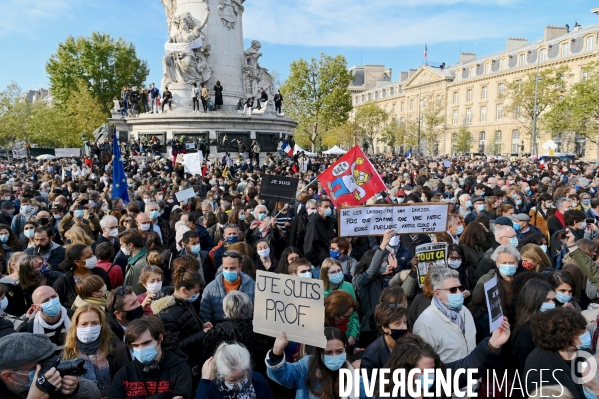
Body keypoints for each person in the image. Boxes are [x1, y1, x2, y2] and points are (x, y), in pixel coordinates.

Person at [152, 262, 211, 389]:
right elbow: (174, 345)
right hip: (186, 363)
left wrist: (201, 324)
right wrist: (202, 334)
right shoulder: (168, 315)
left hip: (196, 357)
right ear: (184, 290)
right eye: (196, 291)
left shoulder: (184, 302)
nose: (197, 294)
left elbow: (188, 321)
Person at [109, 316, 193, 398]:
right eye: (136, 345)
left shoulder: (180, 369)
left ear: (160, 339)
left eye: (146, 343)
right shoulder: (125, 373)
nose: (141, 349)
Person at [0, 332, 101, 399]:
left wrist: (75, 390)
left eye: (46, 363)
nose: (47, 371)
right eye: (37, 367)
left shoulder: (50, 379)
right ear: (8, 376)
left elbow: (95, 395)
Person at [266, 327, 360, 398]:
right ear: (319, 352)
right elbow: (284, 375)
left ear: (345, 349)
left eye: (339, 351)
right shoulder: (306, 367)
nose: (334, 356)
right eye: (328, 352)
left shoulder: (352, 374)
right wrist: (276, 353)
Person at [62, 304, 130, 397]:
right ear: (76, 326)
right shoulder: (67, 352)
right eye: (84, 324)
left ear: (102, 325)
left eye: (95, 323)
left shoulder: (118, 348)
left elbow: (123, 383)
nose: (89, 328)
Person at [412, 267, 476, 363]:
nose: (459, 293)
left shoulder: (464, 311)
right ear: (438, 294)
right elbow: (424, 365)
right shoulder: (425, 323)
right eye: (453, 290)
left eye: (461, 288)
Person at [525, 307, 592, 399]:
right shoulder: (538, 364)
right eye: (581, 332)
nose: (586, 333)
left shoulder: (583, 351)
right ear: (564, 336)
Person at [197, 342, 274, 399]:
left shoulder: (258, 380)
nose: (238, 383)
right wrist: (204, 381)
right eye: (232, 380)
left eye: (242, 377)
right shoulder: (212, 389)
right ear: (221, 375)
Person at [512, 278, 556, 373]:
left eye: (553, 300)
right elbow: (524, 367)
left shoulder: (546, 323)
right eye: (547, 300)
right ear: (533, 301)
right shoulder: (524, 332)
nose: (552, 304)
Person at [200, 250, 255, 323]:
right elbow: (205, 317)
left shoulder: (253, 287)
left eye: (232, 268)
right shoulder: (210, 289)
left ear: (240, 267)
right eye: (225, 268)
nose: (229, 271)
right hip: (220, 332)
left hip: (245, 331)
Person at [18, 285, 74, 354]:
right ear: (35, 307)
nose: (52, 301)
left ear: (58, 296)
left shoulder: (75, 318)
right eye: (45, 300)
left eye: (54, 297)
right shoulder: (28, 330)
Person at [321, 258, 360, 346]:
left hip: (349, 335)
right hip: (331, 338)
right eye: (333, 272)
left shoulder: (348, 286)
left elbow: (354, 314)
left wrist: (353, 335)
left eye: (339, 270)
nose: (337, 274)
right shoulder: (320, 292)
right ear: (325, 274)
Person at [303, 198, 336, 267]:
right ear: (318, 209)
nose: (328, 209)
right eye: (326, 207)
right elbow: (308, 247)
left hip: (330, 260)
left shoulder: (328, 222)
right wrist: (316, 263)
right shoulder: (313, 224)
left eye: (329, 206)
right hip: (321, 263)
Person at [120, 230, 148, 295]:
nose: (121, 248)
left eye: (122, 245)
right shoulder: (135, 260)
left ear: (130, 245)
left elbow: (138, 291)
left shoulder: (139, 265)